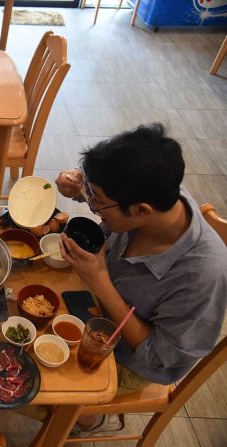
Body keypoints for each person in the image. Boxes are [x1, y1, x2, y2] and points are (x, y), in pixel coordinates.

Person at [54, 123, 227, 435]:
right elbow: (115, 200)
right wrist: (80, 185)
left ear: (142, 210)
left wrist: (101, 284)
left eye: (98, 200)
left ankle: (88, 419)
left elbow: (161, 358)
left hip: (128, 360)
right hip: (93, 304)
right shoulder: (160, 194)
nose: (94, 206)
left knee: (28, 391)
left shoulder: (202, 275)